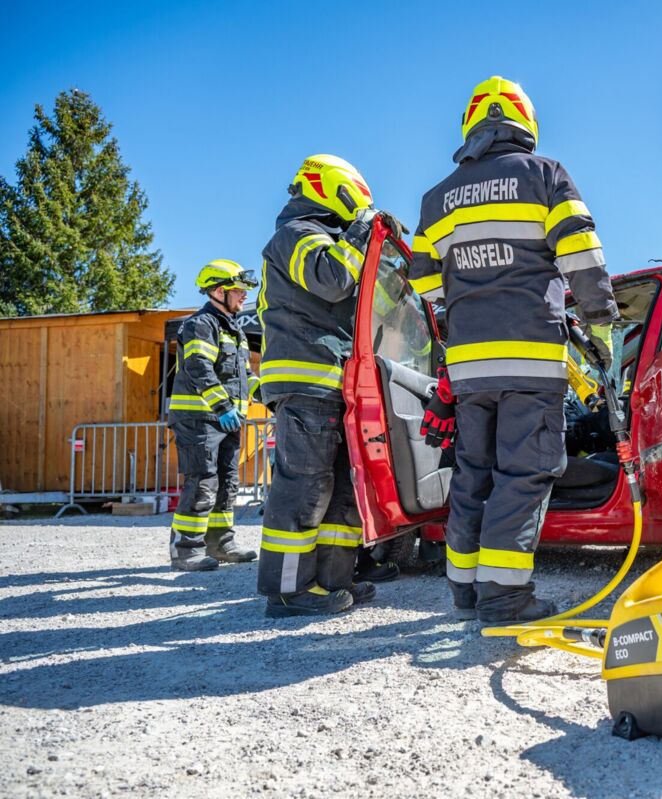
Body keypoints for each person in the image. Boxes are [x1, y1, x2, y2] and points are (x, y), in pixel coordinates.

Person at [408, 76, 619, 623]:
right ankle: (504, 598)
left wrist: (469, 298)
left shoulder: (436, 198)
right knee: (522, 475)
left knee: (473, 475)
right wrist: (600, 324)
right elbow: (582, 256)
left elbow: (424, 283)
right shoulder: (545, 175)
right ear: (525, 121)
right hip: (530, 360)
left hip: (469, 367)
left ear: (471, 124)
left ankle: (465, 590)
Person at [255, 154, 402, 617]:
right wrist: (361, 232)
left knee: (341, 488)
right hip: (306, 380)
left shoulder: (334, 241)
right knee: (304, 487)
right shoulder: (295, 234)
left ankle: (334, 578)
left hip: (335, 384)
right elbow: (333, 280)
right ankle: (288, 591)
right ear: (332, 189)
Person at [166, 260, 260, 571]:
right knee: (203, 481)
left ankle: (220, 543)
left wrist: (271, 397)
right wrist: (222, 406)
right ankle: (186, 550)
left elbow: (244, 376)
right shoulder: (200, 324)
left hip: (227, 420)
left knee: (227, 483)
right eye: (239, 290)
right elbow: (199, 368)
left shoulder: (234, 329)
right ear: (219, 291)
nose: (244, 295)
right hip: (200, 419)